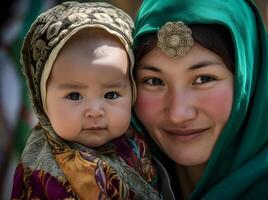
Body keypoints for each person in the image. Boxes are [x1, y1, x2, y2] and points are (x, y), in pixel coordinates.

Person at [132, 0, 268, 199]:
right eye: (154, 81)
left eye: (204, 79)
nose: (178, 114)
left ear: (250, 80)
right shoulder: (110, 183)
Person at [11, 2, 162, 199]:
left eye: (111, 95)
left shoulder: (141, 139)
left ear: (132, 92)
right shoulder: (45, 176)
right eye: (74, 96)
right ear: (42, 101)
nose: (95, 111)